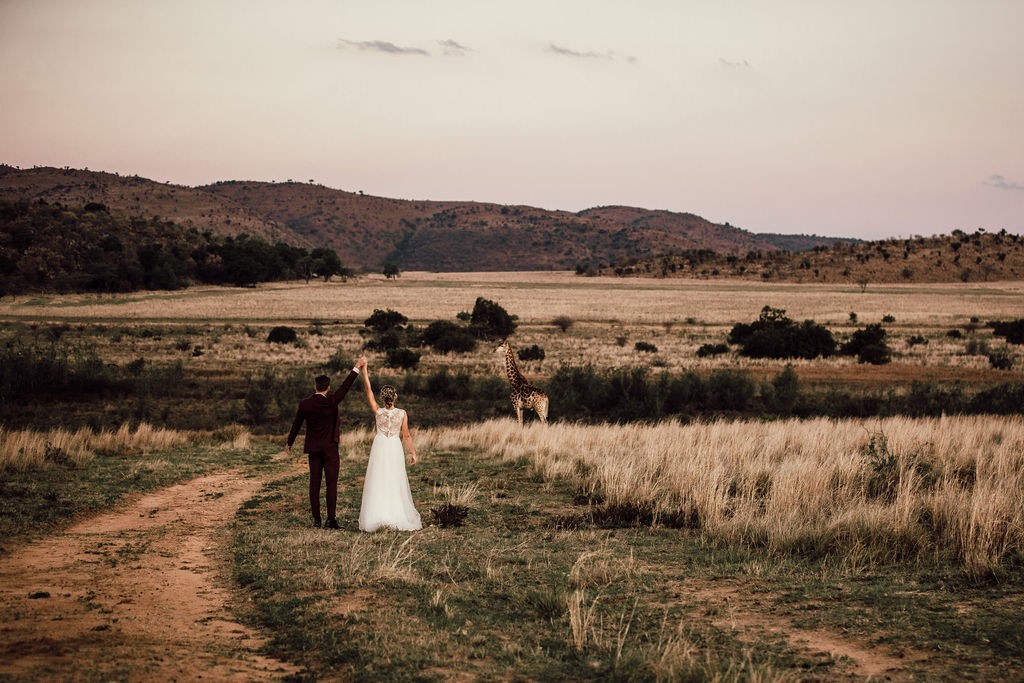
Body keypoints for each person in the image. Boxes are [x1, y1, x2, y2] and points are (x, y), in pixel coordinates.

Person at [285, 356, 365, 529]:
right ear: (328, 388)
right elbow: (346, 386)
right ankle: (331, 519)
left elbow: (296, 424)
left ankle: (316, 519)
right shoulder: (332, 401)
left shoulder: (305, 404)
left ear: (315, 387)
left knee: (314, 483)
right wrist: (356, 367)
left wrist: (289, 443)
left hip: (313, 449)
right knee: (331, 483)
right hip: (330, 448)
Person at [356, 357, 422, 532]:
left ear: (382, 398)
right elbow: (406, 436)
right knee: (394, 479)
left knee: (378, 479)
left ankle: (376, 514)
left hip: (380, 446)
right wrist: (413, 453)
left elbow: (368, 390)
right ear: (395, 397)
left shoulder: (378, 411)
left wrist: (365, 370)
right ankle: (395, 513)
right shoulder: (402, 414)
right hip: (394, 447)